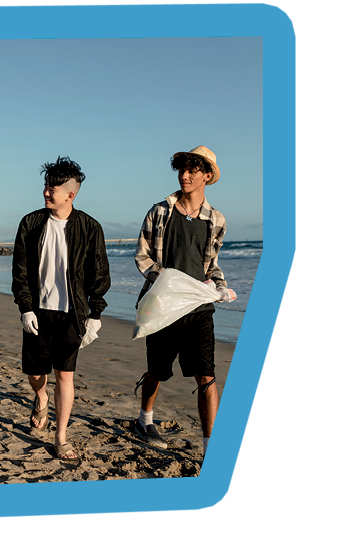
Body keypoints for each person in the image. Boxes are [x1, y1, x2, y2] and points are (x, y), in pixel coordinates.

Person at [133, 145, 235, 454]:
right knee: (158, 370)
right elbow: (143, 257)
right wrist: (166, 281)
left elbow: (210, 264)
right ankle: (144, 418)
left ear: (207, 175)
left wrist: (220, 287)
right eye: (182, 169)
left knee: (207, 373)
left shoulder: (216, 220)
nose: (185, 175)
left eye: (192, 170)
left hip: (198, 308)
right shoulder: (159, 212)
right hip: (162, 306)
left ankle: (210, 445)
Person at [11, 156, 110, 460]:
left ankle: (61, 436)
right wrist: (25, 307)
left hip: (72, 314)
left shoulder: (90, 227)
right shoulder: (30, 223)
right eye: (45, 186)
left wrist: (95, 316)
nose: (46, 192)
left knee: (64, 375)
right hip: (38, 311)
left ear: (71, 194)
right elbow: (21, 271)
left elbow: (99, 274)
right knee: (35, 372)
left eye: (52, 188)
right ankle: (40, 397)